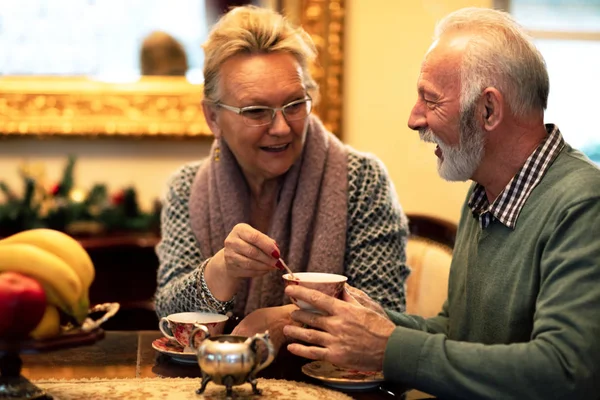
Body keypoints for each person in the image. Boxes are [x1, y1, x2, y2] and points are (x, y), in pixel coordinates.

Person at [282, 7, 600, 399]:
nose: (414, 119)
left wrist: (389, 348)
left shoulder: (584, 204)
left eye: (430, 101)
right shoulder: (484, 191)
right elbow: (457, 334)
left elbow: (564, 371)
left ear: (488, 109)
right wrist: (375, 323)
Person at [154, 5, 410, 345]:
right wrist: (222, 269)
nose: (281, 127)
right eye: (256, 111)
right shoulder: (186, 188)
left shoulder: (362, 181)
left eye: (294, 105)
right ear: (213, 117)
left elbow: (383, 316)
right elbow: (169, 319)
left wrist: (275, 321)